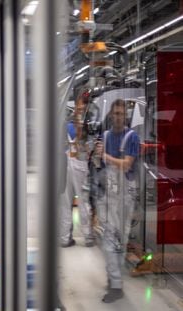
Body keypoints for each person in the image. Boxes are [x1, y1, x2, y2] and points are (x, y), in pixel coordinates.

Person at [95, 99, 140, 303]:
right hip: (108, 194)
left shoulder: (132, 137)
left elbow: (126, 164)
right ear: (111, 115)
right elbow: (98, 164)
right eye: (116, 113)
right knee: (110, 240)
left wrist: (105, 156)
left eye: (122, 113)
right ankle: (115, 281)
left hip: (124, 195)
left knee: (117, 240)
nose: (119, 116)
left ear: (126, 116)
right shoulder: (105, 136)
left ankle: (116, 282)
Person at [60, 90, 95, 248]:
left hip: (70, 163)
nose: (79, 111)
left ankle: (66, 237)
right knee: (80, 200)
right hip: (75, 164)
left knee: (69, 202)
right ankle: (86, 236)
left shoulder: (70, 124)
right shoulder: (84, 125)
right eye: (78, 108)